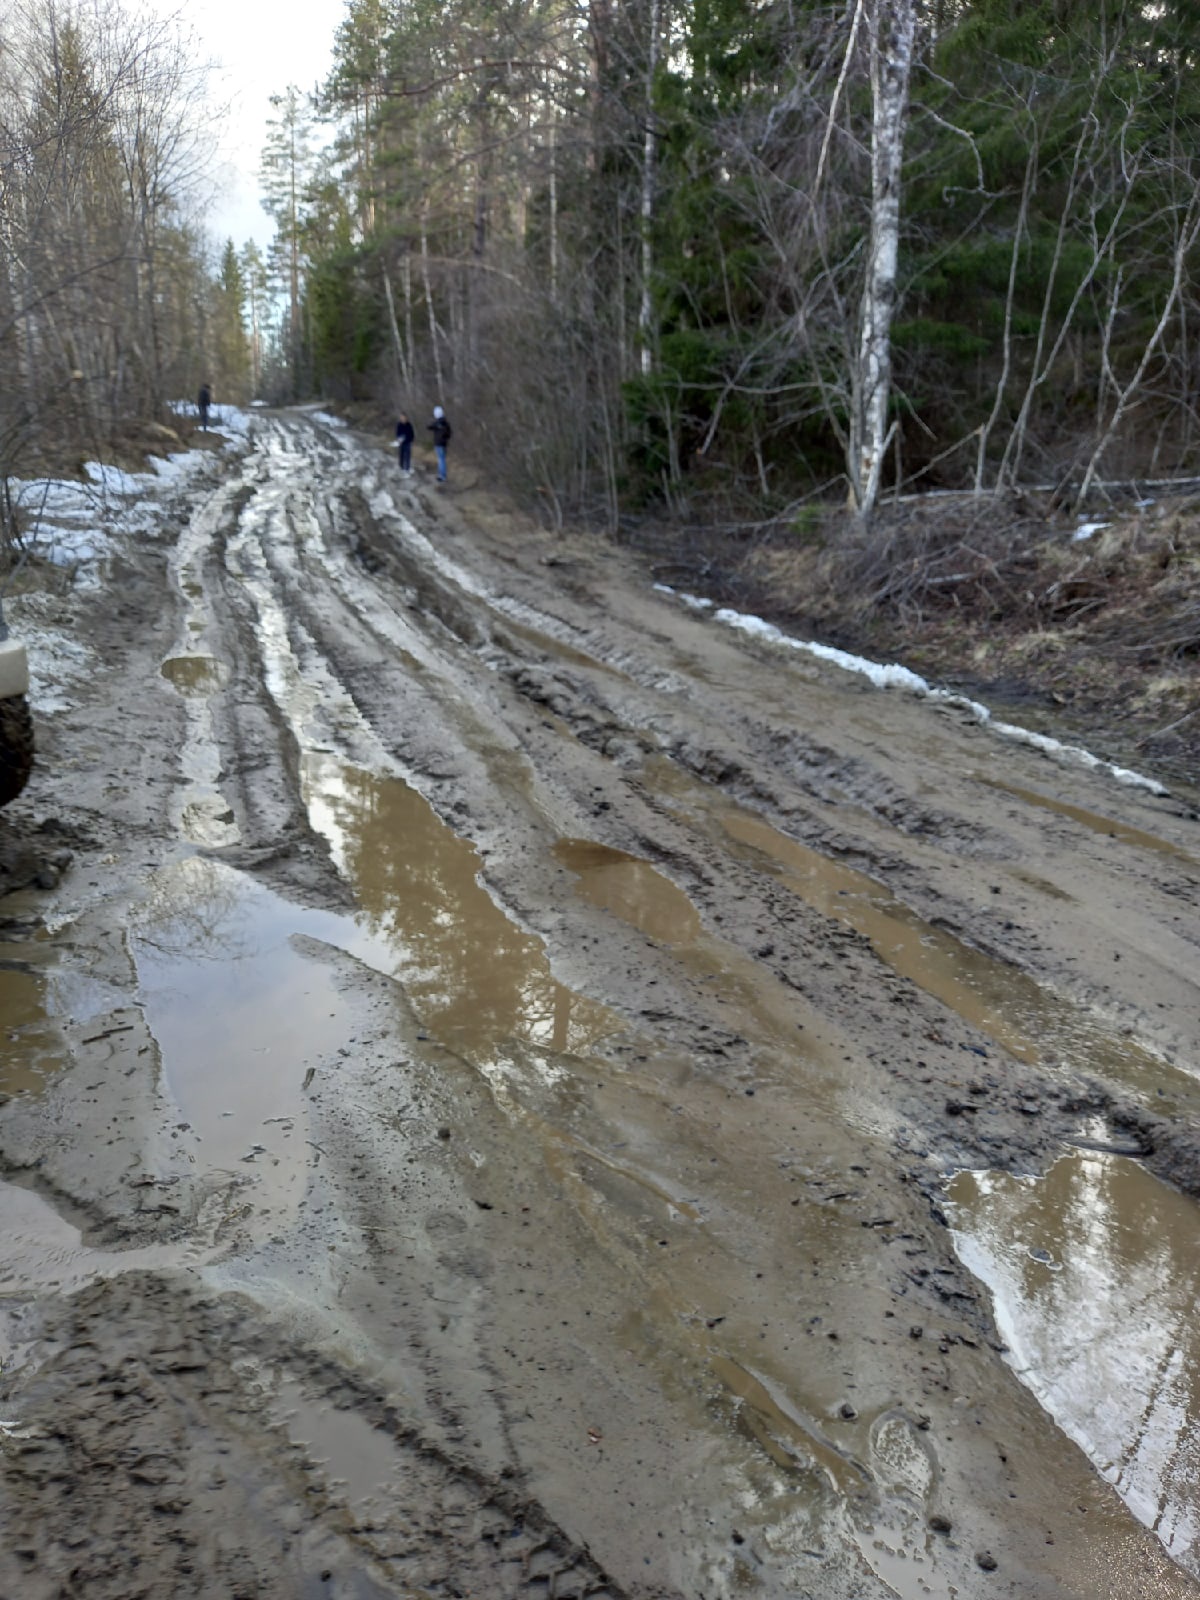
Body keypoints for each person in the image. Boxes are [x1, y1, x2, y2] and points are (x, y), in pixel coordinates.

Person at [428, 405, 451, 484]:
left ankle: (442, 476)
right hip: (443, 443)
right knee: (441, 459)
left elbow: (429, 427)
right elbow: (449, 433)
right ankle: (441, 475)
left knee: (441, 460)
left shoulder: (437, 423)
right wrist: (445, 439)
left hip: (438, 443)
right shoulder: (446, 423)